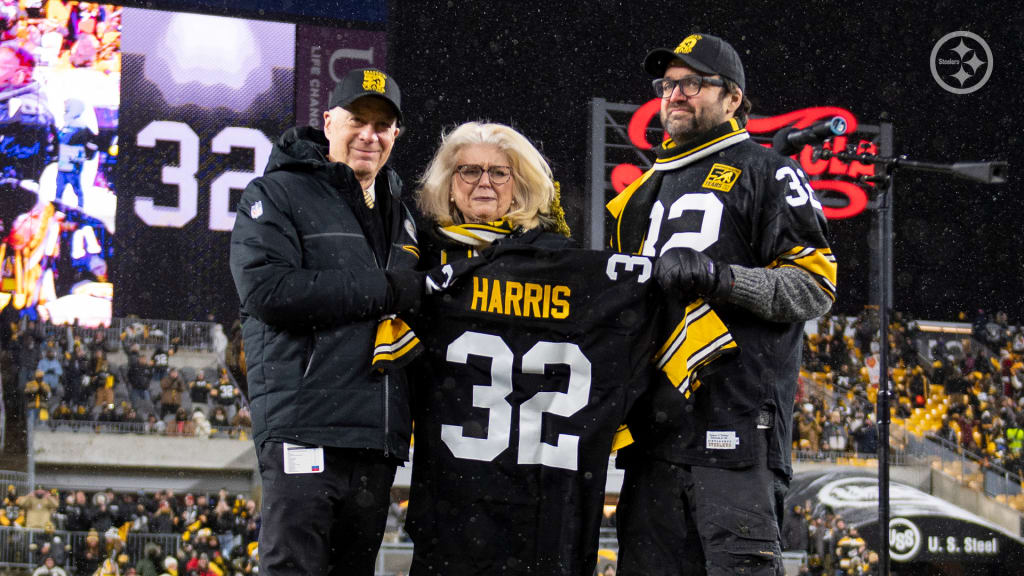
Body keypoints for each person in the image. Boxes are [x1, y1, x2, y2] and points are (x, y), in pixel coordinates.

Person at [607, 33, 836, 575]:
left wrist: (721, 278)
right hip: (653, 436)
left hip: (736, 432)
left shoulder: (768, 170)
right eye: (669, 84)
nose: (676, 94)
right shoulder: (639, 192)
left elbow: (815, 285)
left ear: (733, 99)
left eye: (693, 83)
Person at [404, 123, 655, 576]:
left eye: (500, 173)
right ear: (448, 182)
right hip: (454, 505)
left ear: (521, 185)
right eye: (469, 171)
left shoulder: (566, 268)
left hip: (541, 510)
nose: (484, 182)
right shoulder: (416, 261)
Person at [229, 67, 421, 576]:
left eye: (383, 126)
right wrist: (387, 290)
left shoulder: (402, 210)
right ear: (329, 120)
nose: (369, 135)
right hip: (305, 424)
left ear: (396, 135)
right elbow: (269, 292)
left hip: (376, 437)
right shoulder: (275, 193)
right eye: (358, 119)